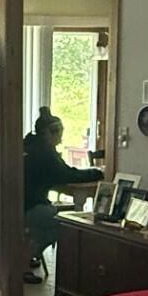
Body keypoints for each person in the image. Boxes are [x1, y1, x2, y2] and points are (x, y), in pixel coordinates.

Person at [22, 107, 103, 283]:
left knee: (51, 219)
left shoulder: (29, 145)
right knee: (66, 225)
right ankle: (24, 261)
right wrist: (97, 173)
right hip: (30, 207)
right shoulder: (45, 152)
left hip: (18, 204)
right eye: (60, 132)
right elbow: (67, 175)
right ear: (48, 133)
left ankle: (27, 256)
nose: (61, 136)